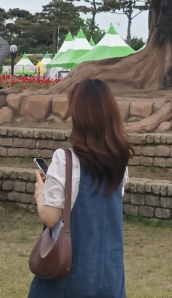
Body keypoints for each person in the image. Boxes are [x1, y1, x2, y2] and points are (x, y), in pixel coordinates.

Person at [30, 78, 130, 298]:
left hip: (73, 275)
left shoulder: (65, 159)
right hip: (109, 275)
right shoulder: (119, 162)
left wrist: (40, 191)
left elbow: (51, 217)